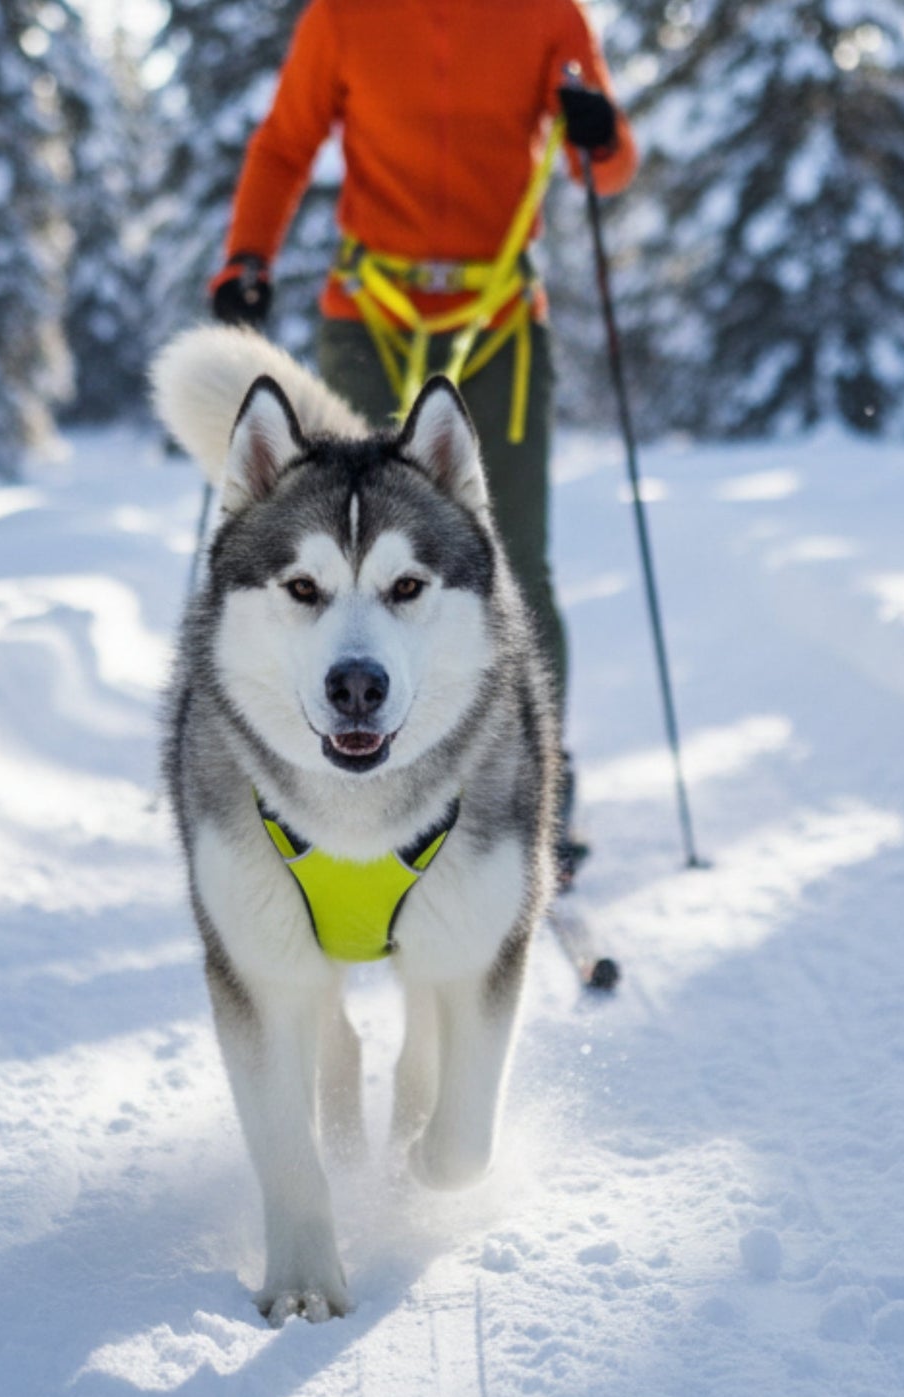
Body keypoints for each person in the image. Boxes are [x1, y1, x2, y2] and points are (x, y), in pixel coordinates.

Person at [209, 0, 637, 877]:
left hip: (501, 327)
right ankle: (340, 793)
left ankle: (531, 779)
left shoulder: (549, 16)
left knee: (512, 557)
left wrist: (600, 131)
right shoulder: (344, 15)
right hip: (372, 318)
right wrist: (247, 256)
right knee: (346, 559)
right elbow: (285, 144)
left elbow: (611, 167)